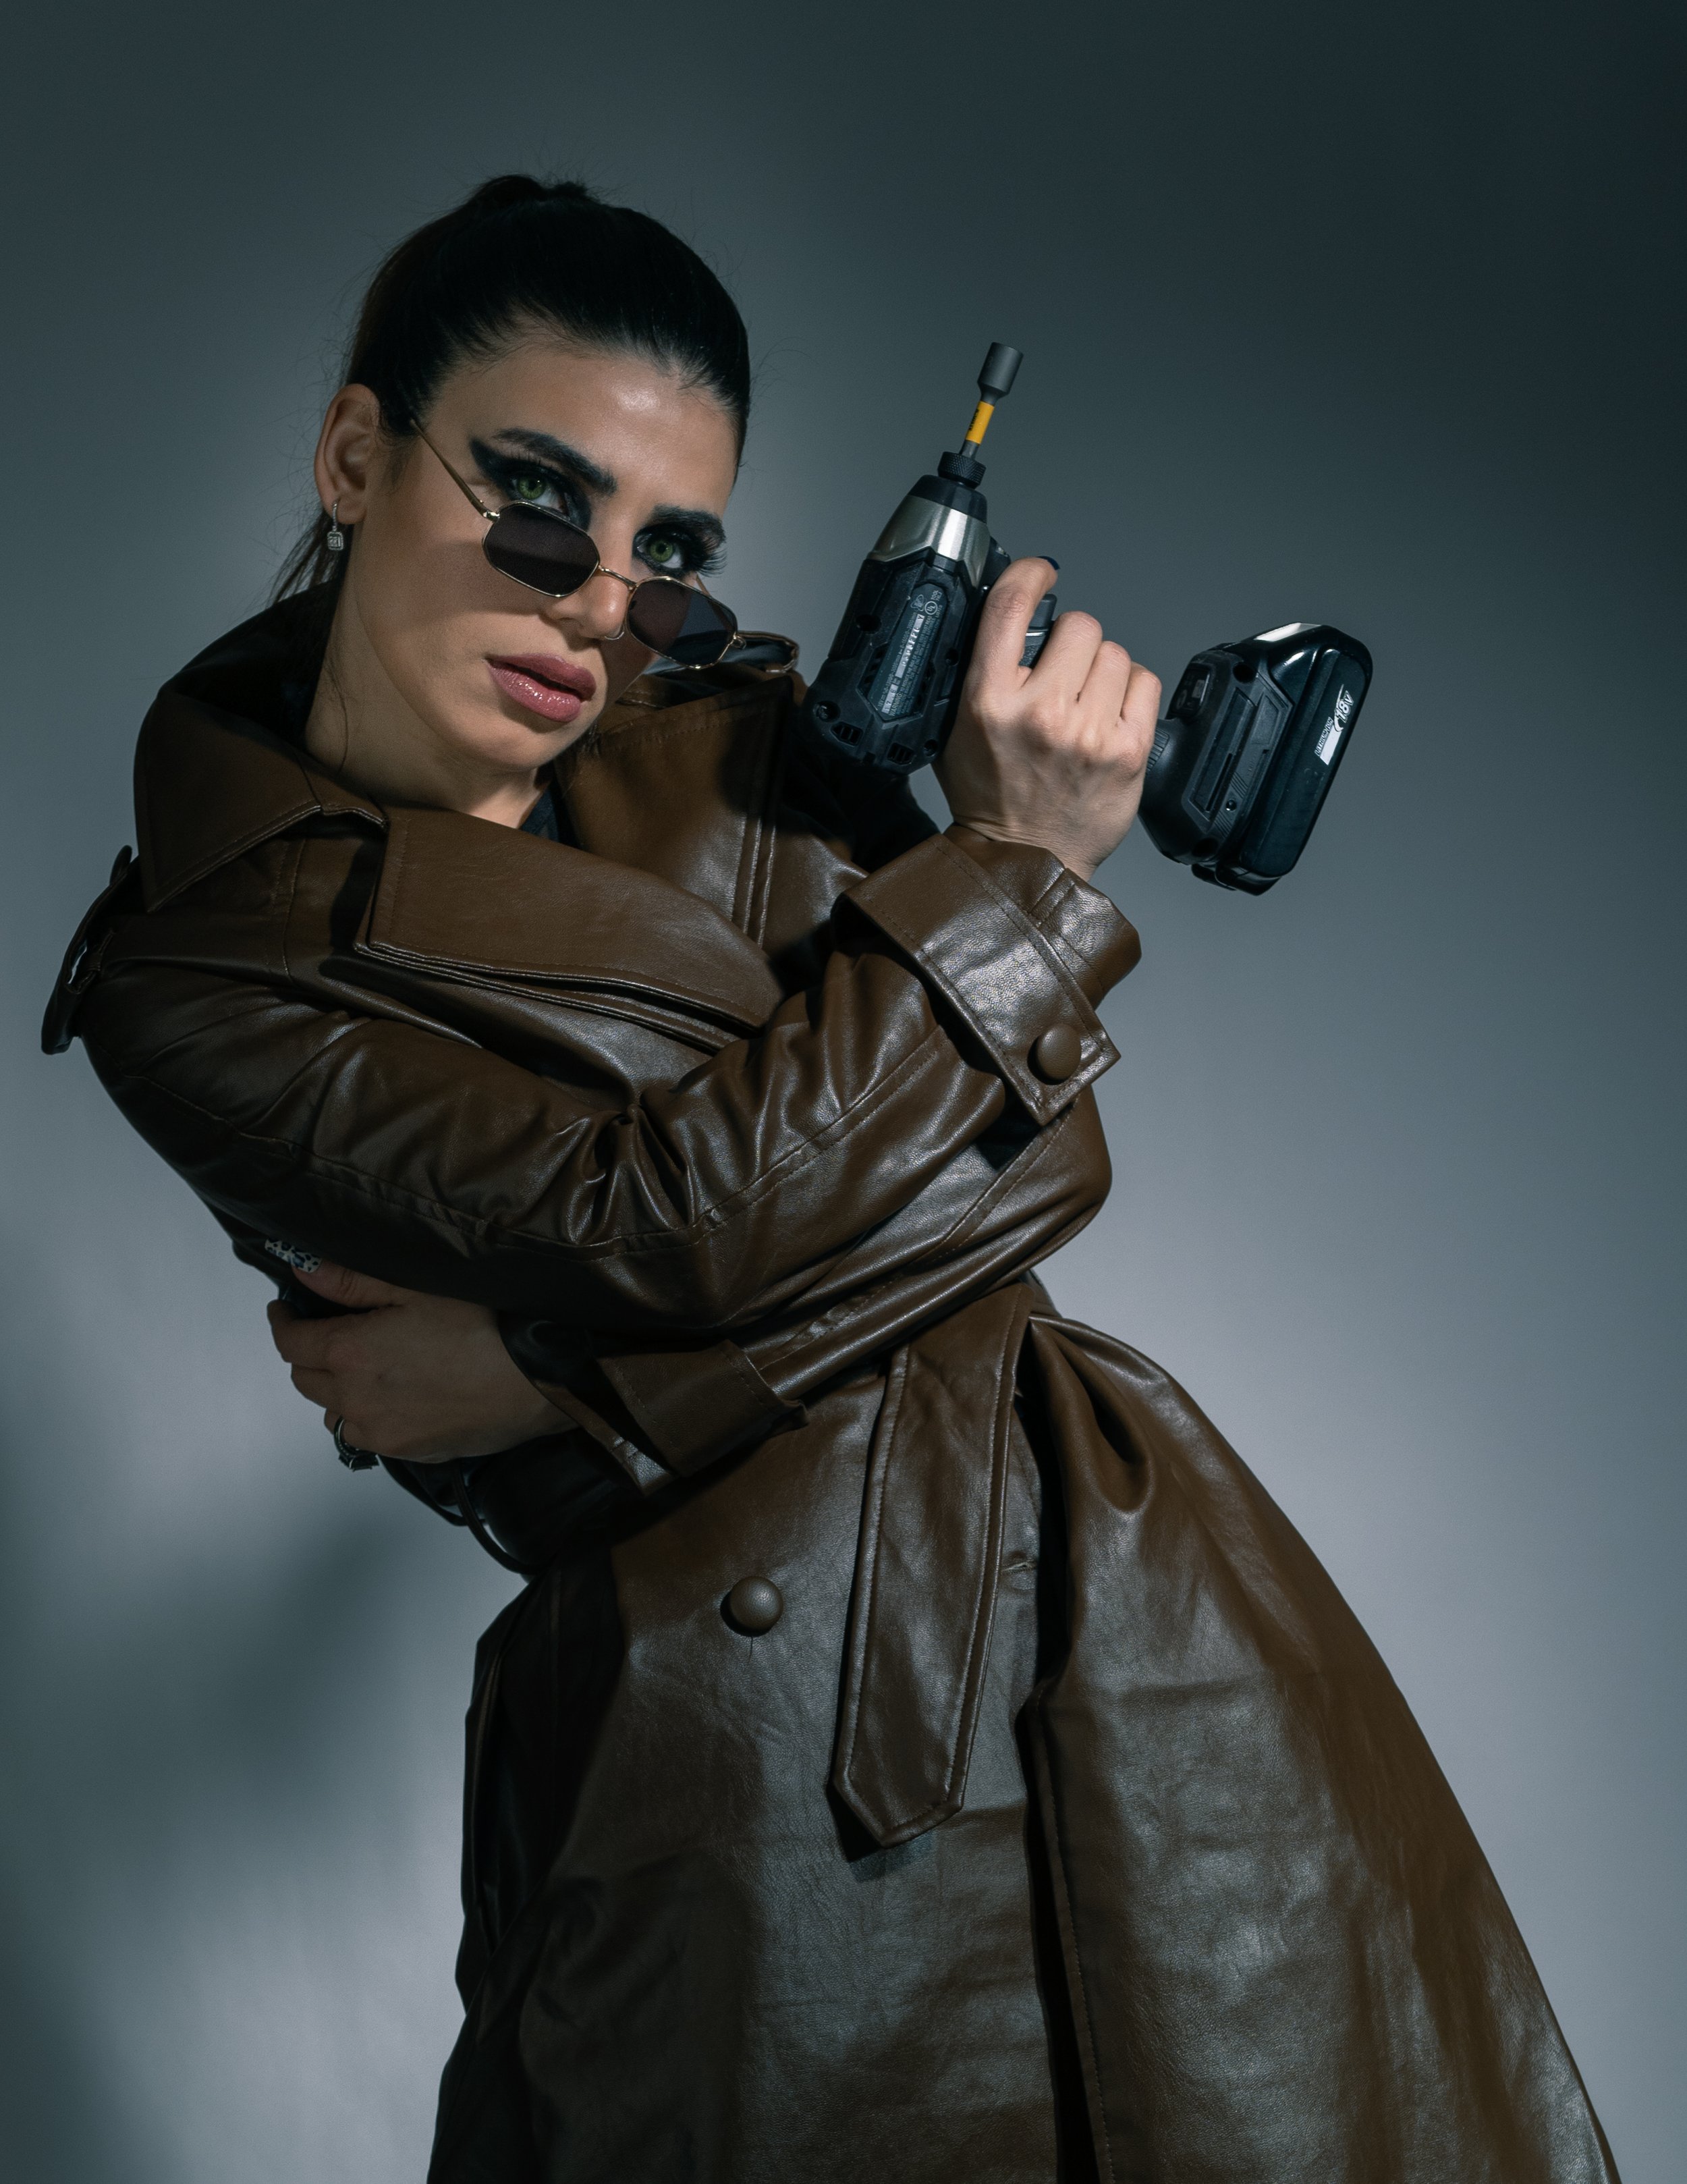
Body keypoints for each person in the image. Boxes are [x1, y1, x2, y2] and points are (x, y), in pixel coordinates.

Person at [45, 176, 1617, 2184]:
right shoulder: (207, 968)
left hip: (1117, 1627)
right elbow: (663, 1211)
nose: (597, 606)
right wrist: (1007, 879)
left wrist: (561, 1369)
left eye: (669, 558)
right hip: (733, 1742)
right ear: (358, 454)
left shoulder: (743, 746)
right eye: (538, 508)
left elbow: (1039, 1159)